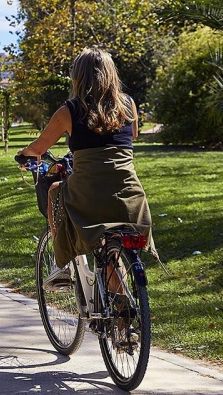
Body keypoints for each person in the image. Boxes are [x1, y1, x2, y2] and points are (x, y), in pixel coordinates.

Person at [17, 47, 151, 285]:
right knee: (113, 248)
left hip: (89, 194)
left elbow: (38, 148)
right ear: (111, 74)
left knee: (54, 190)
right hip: (129, 193)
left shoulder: (69, 110)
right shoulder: (128, 104)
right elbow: (134, 135)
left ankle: (62, 266)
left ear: (78, 77)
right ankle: (124, 310)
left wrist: (23, 155)